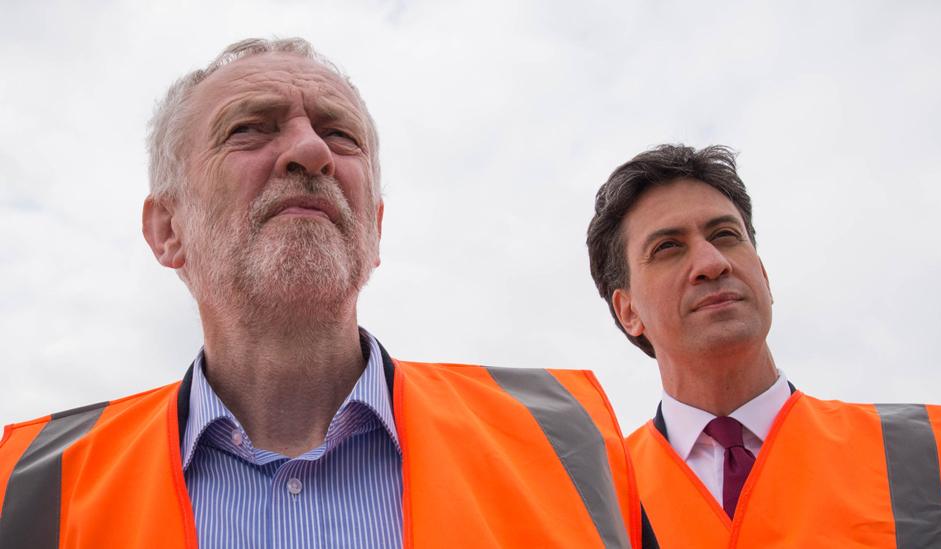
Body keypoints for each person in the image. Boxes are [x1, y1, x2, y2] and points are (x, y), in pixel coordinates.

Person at [0, 38, 642, 549]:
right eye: (250, 128)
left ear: (375, 228)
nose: (311, 151)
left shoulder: (565, 441)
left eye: (340, 134)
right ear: (169, 231)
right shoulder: (28, 488)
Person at [586, 144, 941, 548]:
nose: (712, 262)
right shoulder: (594, 505)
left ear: (765, 276)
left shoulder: (940, 455)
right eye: (668, 247)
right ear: (628, 310)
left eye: (725, 235)